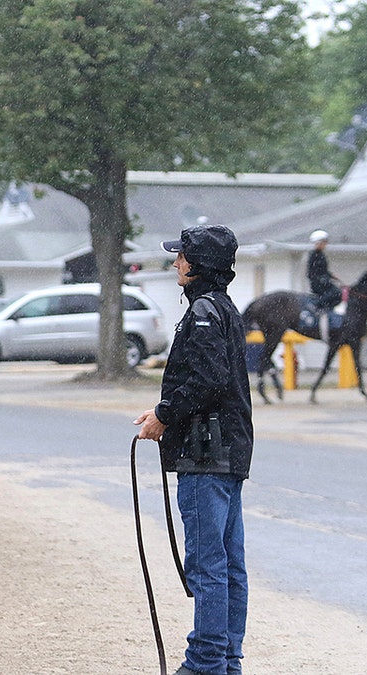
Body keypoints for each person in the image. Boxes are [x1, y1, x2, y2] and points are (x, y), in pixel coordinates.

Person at [135, 223, 254, 675]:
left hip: (207, 454)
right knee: (228, 564)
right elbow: (211, 381)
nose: (175, 263)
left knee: (207, 564)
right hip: (228, 453)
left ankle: (204, 662)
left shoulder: (203, 311)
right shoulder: (223, 307)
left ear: (198, 265)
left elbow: (206, 381)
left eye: (181, 257)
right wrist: (163, 410)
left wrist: (163, 416)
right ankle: (226, 659)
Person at [306, 229, 341, 313]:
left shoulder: (321, 255)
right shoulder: (314, 255)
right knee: (336, 293)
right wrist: (322, 279)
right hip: (318, 282)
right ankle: (316, 304)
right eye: (324, 242)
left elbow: (323, 270)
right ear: (318, 243)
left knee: (338, 295)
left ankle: (326, 309)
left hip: (323, 280)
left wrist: (331, 276)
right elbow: (313, 271)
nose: (325, 244)